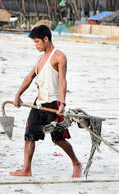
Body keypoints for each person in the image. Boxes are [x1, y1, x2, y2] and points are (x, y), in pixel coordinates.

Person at [10, 24, 82, 178]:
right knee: (29, 136)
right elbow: (30, 77)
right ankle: (26, 170)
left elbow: (63, 80)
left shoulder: (59, 57)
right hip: (39, 103)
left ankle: (76, 163)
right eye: (34, 42)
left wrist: (62, 103)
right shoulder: (39, 58)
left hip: (54, 103)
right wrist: (18, 95)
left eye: (37, 42)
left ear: (46, 39)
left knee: (59, 139)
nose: (36, 45)